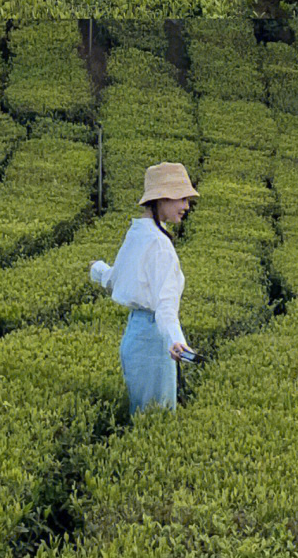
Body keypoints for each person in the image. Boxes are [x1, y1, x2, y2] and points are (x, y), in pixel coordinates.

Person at [89, 162, 197, 412]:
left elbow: (115, 278)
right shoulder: (159, 244)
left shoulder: (136, 233)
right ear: (162, 199)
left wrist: (96, 269)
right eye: (181, 198)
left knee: (140, 415)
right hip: (154, 343)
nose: (186, 207)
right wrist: (176, 340)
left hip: (134, 337)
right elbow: (165, 305)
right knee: (156, 421)